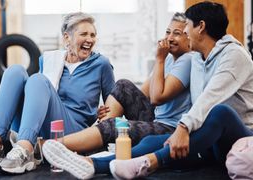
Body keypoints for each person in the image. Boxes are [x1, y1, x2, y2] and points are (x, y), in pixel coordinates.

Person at [106, 2, 253, 179]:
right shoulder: (198, 58)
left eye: (187, 27)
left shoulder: (235, 55)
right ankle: (95, 164)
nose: (184, 33)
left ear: (201, 27)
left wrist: (183, 127)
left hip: (240, 140)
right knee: (152, 141)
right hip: (210, 140)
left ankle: (151, 162)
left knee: (220, 112)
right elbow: (149, 93)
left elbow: (209, 98)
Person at [41, 12, 194, 179]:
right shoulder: (171, 59)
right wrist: (108, 110)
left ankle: (50, 146)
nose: (170, 38)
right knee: (123, 85)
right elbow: (140, 95)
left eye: (177, 34)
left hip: (170, 127)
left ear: (189, 38)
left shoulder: (187, 60)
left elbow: (157, 97)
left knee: (116, 126)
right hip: (156, 119)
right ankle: (96, 135)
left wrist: (159, 59)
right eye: (168, 32)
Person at [0, 12, 115, 174]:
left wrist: (103, 113)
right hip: (39, 125)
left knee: (38, 79)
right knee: (15, 71)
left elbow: (115, 105)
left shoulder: (101, 64)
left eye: (93, 35)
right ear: (67, 38)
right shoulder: (49, 59)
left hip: (73, 131)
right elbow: (39, 97)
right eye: (84, 34)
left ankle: (25, 150)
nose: (90, 39)